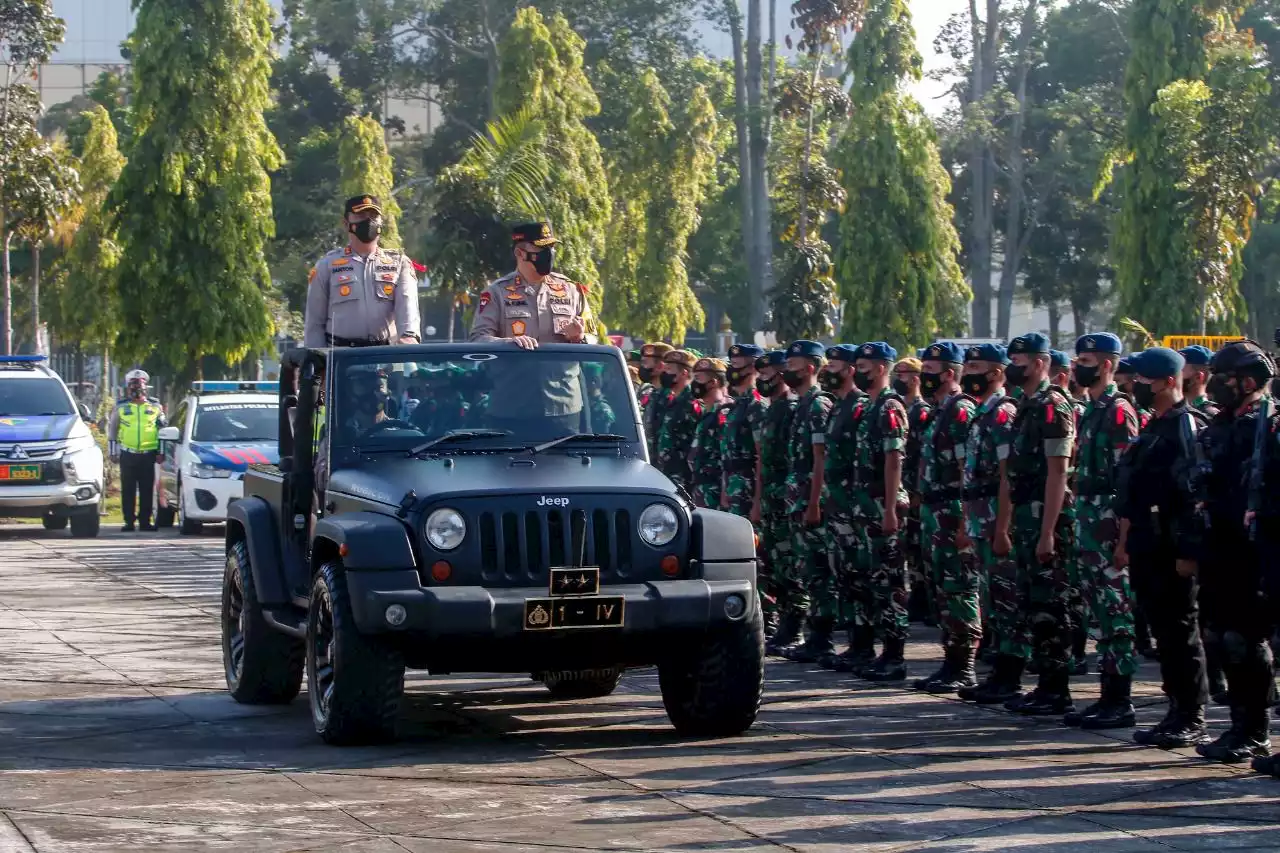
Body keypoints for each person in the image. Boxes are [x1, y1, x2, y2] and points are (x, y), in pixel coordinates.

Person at [1117, 347, 1211, 750]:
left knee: (1180, 632)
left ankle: (1192, 715)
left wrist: (1188, 552)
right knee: (1163, 633)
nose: (1135, 385)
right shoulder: (1152, 426)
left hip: (1171, 548)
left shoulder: (1185, 427)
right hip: (1147, 544)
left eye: (1143, 380)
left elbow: (1193, 496)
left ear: (1169, 381)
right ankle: (1175, 710)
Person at [1193, 340, 1275, 764]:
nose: (1214, 386)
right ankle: (1239, 726)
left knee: (1244, 639)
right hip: (1218, 546)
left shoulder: (1265, 426)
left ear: (1246, 381)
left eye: (1223, 379)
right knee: (1220, 638)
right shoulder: (1218, 424)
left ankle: (1255, 731)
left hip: (1250, 552)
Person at [996, 332, 1077, 716]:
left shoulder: (1052, 405)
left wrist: (1048, 532)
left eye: (1021, 361)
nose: (1014, 367)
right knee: (1031, 601)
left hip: (1047, 516)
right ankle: (1045, 684)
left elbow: (1057, 473)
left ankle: (1056, 689)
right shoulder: (1024, 405)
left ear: (1041, 363)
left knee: (1050, 605)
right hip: (1027, 514)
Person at [1064, 332, 1141, 730]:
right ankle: (1106, 695)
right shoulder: (1091, 409)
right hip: (1089, 524)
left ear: (1107, 365)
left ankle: (1120, 698)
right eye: (1079, 359)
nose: (1079, 365)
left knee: (1116, 614)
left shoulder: (1118, 410)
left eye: (1088, 359)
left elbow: (1127, 482)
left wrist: (1125, 539)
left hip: (1110, 527)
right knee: (1099, 614)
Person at [956, 345, 1025, 705]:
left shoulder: (1002, 414)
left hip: (996, 519)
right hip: (980, 517)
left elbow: (1005, 477)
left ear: (997, 373)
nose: (969, 372)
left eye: (977, 366)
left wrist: (1002, 528)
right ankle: (998, 672)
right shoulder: (982, 413)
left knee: (1005, 599)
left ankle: (1010, 675)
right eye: (967, 365)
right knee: (990, 599)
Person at [914, 341, 980, 694]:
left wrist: (966, 520)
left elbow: (964, 469)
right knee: (941, 588)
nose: (924, 378)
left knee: (959, 587)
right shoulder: (938, 410)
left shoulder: (960, 411)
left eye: (929, 373)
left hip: (953, 510)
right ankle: (949, 661)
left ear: (950, 374)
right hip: (935, 510)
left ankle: (964, 665)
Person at [850, 341, 912, 682]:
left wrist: (890, 509)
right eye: (858, 364)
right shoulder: (869, 407)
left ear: (882, 368)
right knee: (873, 581)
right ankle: (876, 650)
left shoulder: (890, 407)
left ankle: (895, 655)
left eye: (867, 365)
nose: (860, 369)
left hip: (883, 504)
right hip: (866, 505)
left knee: (891, 582)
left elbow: (893, 462)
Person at [779, 340, 836, 662]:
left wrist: (814, 503)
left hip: (810, 500)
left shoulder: (818, 405)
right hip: (797, 499)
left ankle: (823, 637)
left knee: (818, 570)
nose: (787, 371)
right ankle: (814, 636)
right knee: (806, 569)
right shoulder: (801, 404)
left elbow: (819, 459)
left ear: (811, 368)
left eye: (793, 365)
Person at [304, 194, 422, 348]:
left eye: (373, 216)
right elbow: (314, 322)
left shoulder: (399, 263)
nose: (368, 221)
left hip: (385, 356)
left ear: (381, 221)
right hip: (342, 356)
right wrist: (318, 362)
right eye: (361, 216)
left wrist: (408, 338)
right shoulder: (327, 265)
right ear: (346, 224)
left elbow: (408, 307)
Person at [1179, 343, 1227, 704]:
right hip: (1199, 524)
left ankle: (1221, 678)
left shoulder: (1208, 415)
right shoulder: (1186, 417)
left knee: (1218, 612)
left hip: (1221, 525)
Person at [821, 344, 871, 672]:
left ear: (851, 369)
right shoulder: (839, 406)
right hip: (837, 501)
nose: (829, 370)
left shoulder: (860, 407)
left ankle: (866, 646)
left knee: (861, 575)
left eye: (835, 365)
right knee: (845, 576)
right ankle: (855, 644)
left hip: (856, 503)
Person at [469, 221, 596, 348]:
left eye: (551, 247)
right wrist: (508, 343)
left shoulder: (572, 290)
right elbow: (478, 339)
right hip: (516, 367)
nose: (549, 253)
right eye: (541, 248)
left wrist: (580, 338)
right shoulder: (496, 293)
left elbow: (593, 337)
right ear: (519, 253)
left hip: (560, 368)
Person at [758, 351, 802, 652]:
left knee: (791, 562)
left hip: (787, 495)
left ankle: (795, 626)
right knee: (774, 563)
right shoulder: (770, 409)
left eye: (768, 373)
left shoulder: (791, 408)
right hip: (772, 495)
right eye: (759, 374)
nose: (763, 379)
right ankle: (784, 624)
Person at [895, 356, 934, 626]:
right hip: (904, 485)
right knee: (909, 546)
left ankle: (923, 598)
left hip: (917, 486)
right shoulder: (901, 407)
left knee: (920, 548)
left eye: (904, 373)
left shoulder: (922, 411)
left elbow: (922, 454)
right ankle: (918, 598)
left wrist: (919, 491)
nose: (899, 378)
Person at [108, 369, 167, 533]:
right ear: (128, 389)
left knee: (147, 490)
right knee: (128, 490)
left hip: (148, 454)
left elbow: (162, 431)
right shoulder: (121, 407)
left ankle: (145, 521)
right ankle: (129, 522)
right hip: (128, 454)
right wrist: (113, 452)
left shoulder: (155, 406)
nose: (136, 390)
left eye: (139, 386)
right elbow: (113, 431)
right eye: (133, 386)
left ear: (145, 388)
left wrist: (161, 452)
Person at [719, 343, 768, 521]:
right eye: (731, 365)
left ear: (753, 368)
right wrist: (725, 487)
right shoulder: (737, 404)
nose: (732, 370)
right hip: (733, 484)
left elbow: (761, 455)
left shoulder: (756, 405)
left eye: (738, 366)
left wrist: (757, 501)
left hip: (748, 486)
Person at [688, 358, 732, 509]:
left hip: (715, 489)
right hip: (701, 487)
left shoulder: (724, 412)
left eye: (698, 379)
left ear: (713, 383)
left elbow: (726, 456)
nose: (694, 384)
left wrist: (724, 493)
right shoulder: (706, 411)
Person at [655, 349, 702, 490]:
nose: (664, 373)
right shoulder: (670, 400)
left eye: (669, 369)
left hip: (682, 477)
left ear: (684, 373)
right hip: (666, 472)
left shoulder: (692, 403)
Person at [639, 342, 675, 459]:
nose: (642, 368)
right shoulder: (651, 393)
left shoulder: (670, 398)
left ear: (660, 366)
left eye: (645, 363)